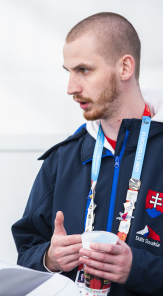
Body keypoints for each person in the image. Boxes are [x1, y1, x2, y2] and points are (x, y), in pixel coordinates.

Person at [12, 12, 163, 296]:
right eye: (68, 71)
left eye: (84, 70)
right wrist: (48, 259)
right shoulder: (62, 159)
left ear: (125, 67)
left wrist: (138, 269)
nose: (71, 88)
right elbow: (26, 255)